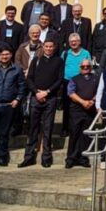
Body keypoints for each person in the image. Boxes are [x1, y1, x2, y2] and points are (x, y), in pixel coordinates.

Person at [19, 39, 62, 168]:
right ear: (43, 47)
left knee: (48, 128)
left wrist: (47, 92)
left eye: (51, 47)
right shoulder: (36, 60)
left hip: (50, 98)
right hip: (36, 97)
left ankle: (46, 157)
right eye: (46, 46)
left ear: (54, 48)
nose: (48, 49)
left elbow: (59, 80)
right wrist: (36, 92)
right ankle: (29, 157)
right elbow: (29, 78)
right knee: (33, 128)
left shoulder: (59, 61)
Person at [65, 59, 98, 169]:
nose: (85, 68)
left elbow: (99, 91)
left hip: (90, 110)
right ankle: (71, 159)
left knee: (86, 135)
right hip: (76, 110)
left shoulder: (96, 78)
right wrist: (83, 102)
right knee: (74, 134)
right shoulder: (74, 79)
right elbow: (70, 93)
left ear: (91, 67)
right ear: (80, 68)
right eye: (83, 66)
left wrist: (92, 101)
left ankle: (84, 159)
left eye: (87, 66)